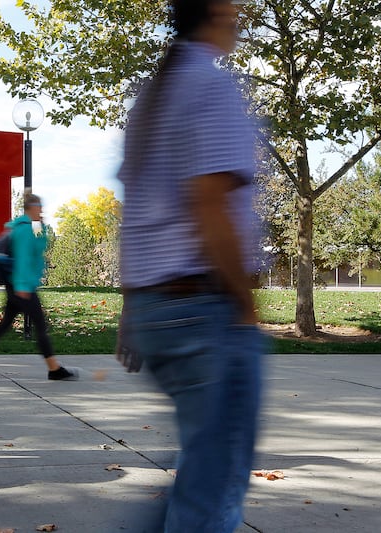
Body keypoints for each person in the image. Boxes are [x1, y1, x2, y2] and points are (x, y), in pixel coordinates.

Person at [116, 1, 265, 531]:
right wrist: (245, 303)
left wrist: (135, 305)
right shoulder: (211, 84)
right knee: (215, 489)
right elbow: (210, 202)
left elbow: (133, 206)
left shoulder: (152, 96)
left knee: (200, 475)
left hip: (162, 306)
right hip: (204, 307)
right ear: (219, 9)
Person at [0, 193, 78, 381]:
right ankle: (54, 369)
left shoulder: (29, 227)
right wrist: (23, 287)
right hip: (22, 286)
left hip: (17, 284)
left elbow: (40, 247)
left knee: (4, 325)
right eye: (39, 206)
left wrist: (40, 225)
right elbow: (24, 259)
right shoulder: (24, 230)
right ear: (31, 207)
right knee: (41, 326)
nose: (41, 209)